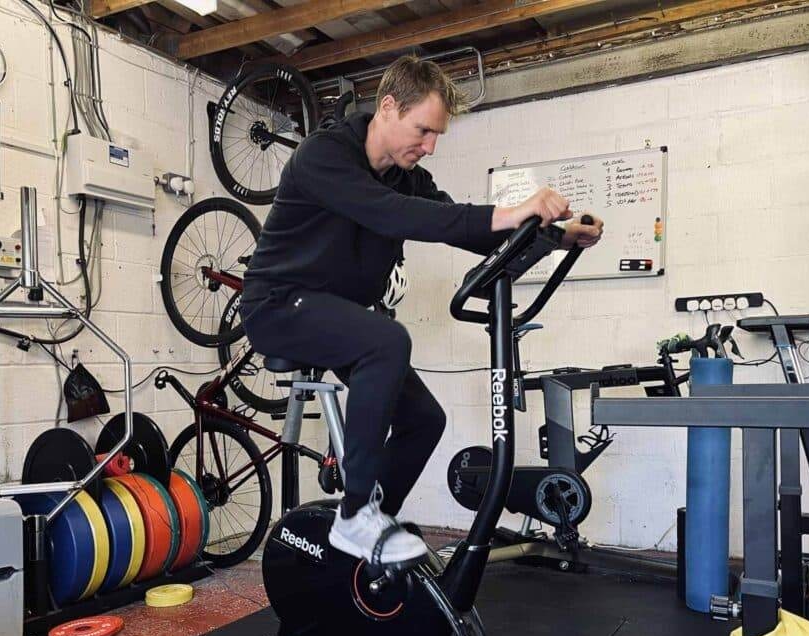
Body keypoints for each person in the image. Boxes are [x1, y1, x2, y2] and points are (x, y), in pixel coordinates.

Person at [242, 55, 602, 565]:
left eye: (437, 136)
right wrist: (515, 208)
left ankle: (368, 533)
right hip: (277, 307)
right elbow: (395, 216)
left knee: (424, 418)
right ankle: (355, 517)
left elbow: (459, 225)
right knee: (387, 340)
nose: (429, 146)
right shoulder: (323, 156)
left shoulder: (407, 178)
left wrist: (558, 236)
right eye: (423, 130)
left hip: (334, 312)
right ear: (388, 108)